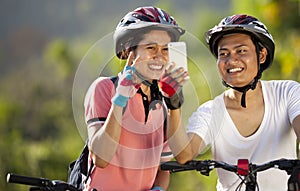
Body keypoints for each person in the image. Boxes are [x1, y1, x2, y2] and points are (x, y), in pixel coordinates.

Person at [167, 14, 300, 190]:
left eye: (241, 51)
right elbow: (184, 155)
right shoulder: (211, 111)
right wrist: (173, 102)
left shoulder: (286, 92)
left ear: (261, 55)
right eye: (224, 54)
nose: (231, 60)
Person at [83, 6, 189, 191]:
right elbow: (100, 158)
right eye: (151, 47)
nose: (159, 56)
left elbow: (164, 166)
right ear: (128, 51)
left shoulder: (163, 102)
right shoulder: (104, 88)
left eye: (165, 49)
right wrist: (120, 99)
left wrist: (174, 104)